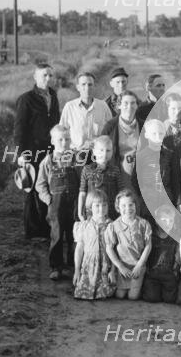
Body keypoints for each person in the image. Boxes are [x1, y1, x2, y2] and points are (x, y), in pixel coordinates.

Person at [14, 63, 60, 239]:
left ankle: (46, 227)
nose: (48, 78)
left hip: (50, 150)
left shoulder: (53, 96)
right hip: (32, 150)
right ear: (35, 77)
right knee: (32, 188)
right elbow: (19, 129)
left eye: (50, 75)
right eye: (44, 75)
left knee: (47, 186)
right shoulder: (26, 99)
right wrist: (22, 155)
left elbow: (55, 121)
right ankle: (32, 231)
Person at [35, 125, 80, 281]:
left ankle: (71, 266)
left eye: (67, 139)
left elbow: (83, 180)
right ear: (53, 141)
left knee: (74, 235)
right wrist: (49, 200)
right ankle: (56, 266)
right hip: (56, 205)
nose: (64, 142)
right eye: (60, 139)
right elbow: (40, 185)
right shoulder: (47, 161)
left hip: (74, 204)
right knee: (57, 235)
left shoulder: (77, 159)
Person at [104, 190, 152, 300]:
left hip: (137, 266)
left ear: (135, 205)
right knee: (119, 295)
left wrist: (139, 265)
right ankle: (130, 286)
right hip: (123, 267)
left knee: (132, 297)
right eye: (123, 205)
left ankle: (141, 286)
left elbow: (148, 246)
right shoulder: (114, 226)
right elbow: (109, 248)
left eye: (131, 204)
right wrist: (119, 266)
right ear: (118, 207)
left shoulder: (143, 224)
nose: (128, 208)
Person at [72, 189, 115, 300]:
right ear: (90, 207)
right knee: (83, 292)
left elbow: (116, 250)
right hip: (89, 266)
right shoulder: (84, 226)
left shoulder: (112, 225)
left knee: (107, 293)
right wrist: (77, 270)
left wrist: (113, 270)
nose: (101, 209)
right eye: (97, 205)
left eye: (104, 205)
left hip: (105, 265)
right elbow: (79, 249)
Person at [132, 119, 176, 221]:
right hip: (148, 202)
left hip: (166, 201)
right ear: (147, 135)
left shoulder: (169, 155)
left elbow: (174, 179)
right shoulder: (141, 156)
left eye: (160, 134)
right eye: (154, 134)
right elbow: (135, 180)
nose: (158, 137)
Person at [78, 136, 129, 221]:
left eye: (108, 150)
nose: (105, 154)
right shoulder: (87, 169)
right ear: (94, 151)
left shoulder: (115, 170)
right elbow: (82, 192)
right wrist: (80, 212)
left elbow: (121, 192)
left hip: (111, 212)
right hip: (92, 212)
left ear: (112, 152)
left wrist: (123, 209)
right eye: (101, 150)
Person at [60, 72, 112, 151]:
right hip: (76, 155)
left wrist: (95, 142)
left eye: (90, 84)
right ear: (78, 87)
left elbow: (111, 131)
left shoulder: (103, 106)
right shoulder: (69, 107)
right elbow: (61, 133)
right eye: (83, 84)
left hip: (99, 155)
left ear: (94, 86)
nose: (87, 88)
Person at [101, 90, 141, 186]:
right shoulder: (110, 126)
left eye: (133, 103)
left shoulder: (144, 125)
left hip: (139, 174)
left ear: (137, 105)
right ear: (119, 105)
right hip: (117, 174)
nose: (129, 106)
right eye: (125, 103)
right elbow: (101, 149)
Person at [142, 205, 180, 303]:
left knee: (170, 299)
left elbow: (178, 256)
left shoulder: (175, 238)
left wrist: (175, 270)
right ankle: (154, 290)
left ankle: (164, 291)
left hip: (168, 274)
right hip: (153, 273)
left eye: (170, 221)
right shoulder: (152, 236)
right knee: (152, 298)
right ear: (156, 221)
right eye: (164, 220)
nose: (167, 223)